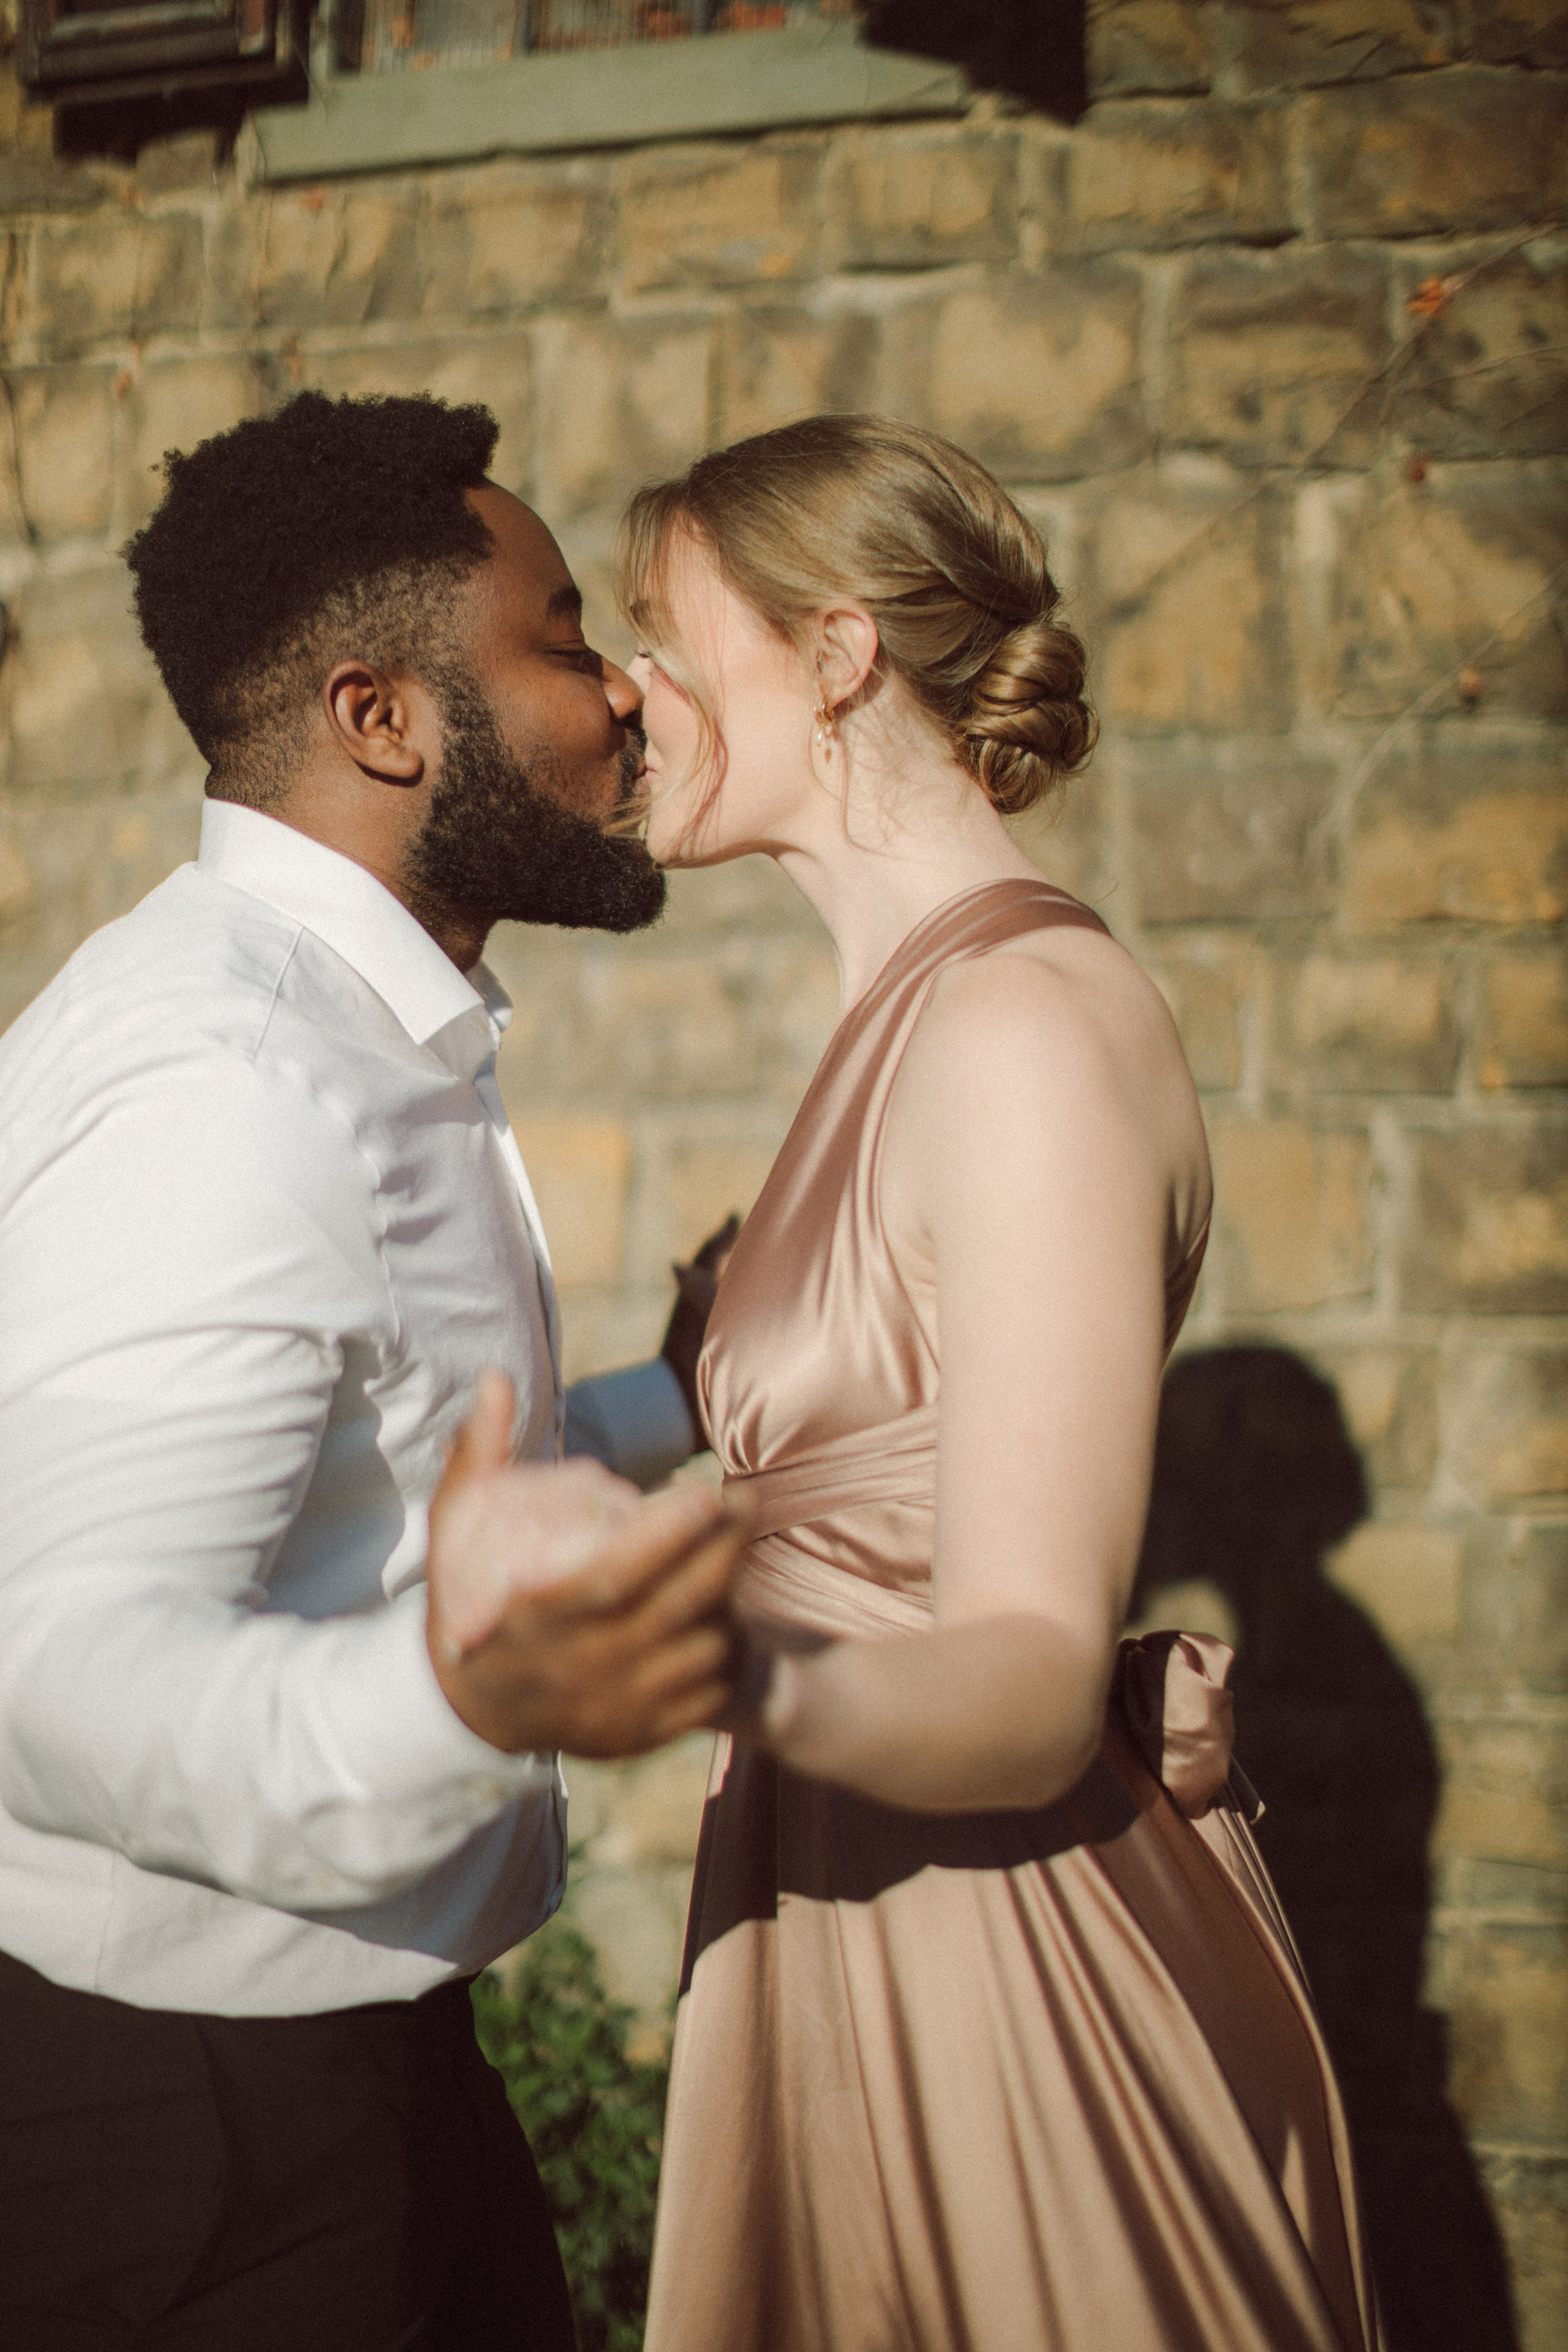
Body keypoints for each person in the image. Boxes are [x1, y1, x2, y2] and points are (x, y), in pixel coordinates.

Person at [620, 414, 1382, 2352]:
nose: (630, 688)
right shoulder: (905, 1018)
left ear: (841, 651)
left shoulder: (1023, 1022)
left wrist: (680, 1653)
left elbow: (1034, 1680)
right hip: (847, 1901)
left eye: (665, 629)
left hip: (1003, 1972)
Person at [0, 391, 747, 2350]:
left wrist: (672, 1397)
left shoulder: (361, 1031)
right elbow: (60, 1663)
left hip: (371, 2074)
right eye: (572, 640)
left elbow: (397, 1505)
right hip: (199, 2148)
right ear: (384, 718)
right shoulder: (224, 1080)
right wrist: (450, 1701)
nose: (633, 697)